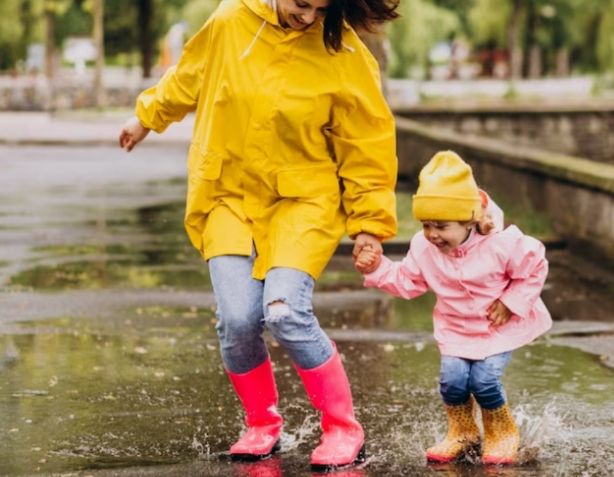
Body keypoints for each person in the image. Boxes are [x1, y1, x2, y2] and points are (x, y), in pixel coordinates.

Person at [118, 0, 400, 471]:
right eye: (302, 4)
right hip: (227, 194)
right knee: (238, 319)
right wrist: (145, 118)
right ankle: (262, 423)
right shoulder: (231, 21)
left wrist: (369, 225)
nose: (309, 16)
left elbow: (366, 144)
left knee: (285, 311)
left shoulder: (345, 50)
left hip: (301, 200)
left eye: (321, 7)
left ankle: (342, 428)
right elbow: (188, 75)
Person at [354, 151, 552, 465]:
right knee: (453, 380)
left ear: (469, 220)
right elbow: (408, 280)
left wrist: (511, 302)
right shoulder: (424, 246)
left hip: (497, 326)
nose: (432, 234)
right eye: (426, 224)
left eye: (441, 226)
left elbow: (534, 266)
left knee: (484, 380)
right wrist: (376, 269)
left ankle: (501, 432)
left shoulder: (501, 243)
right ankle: (463, 431)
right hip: (456, 327)